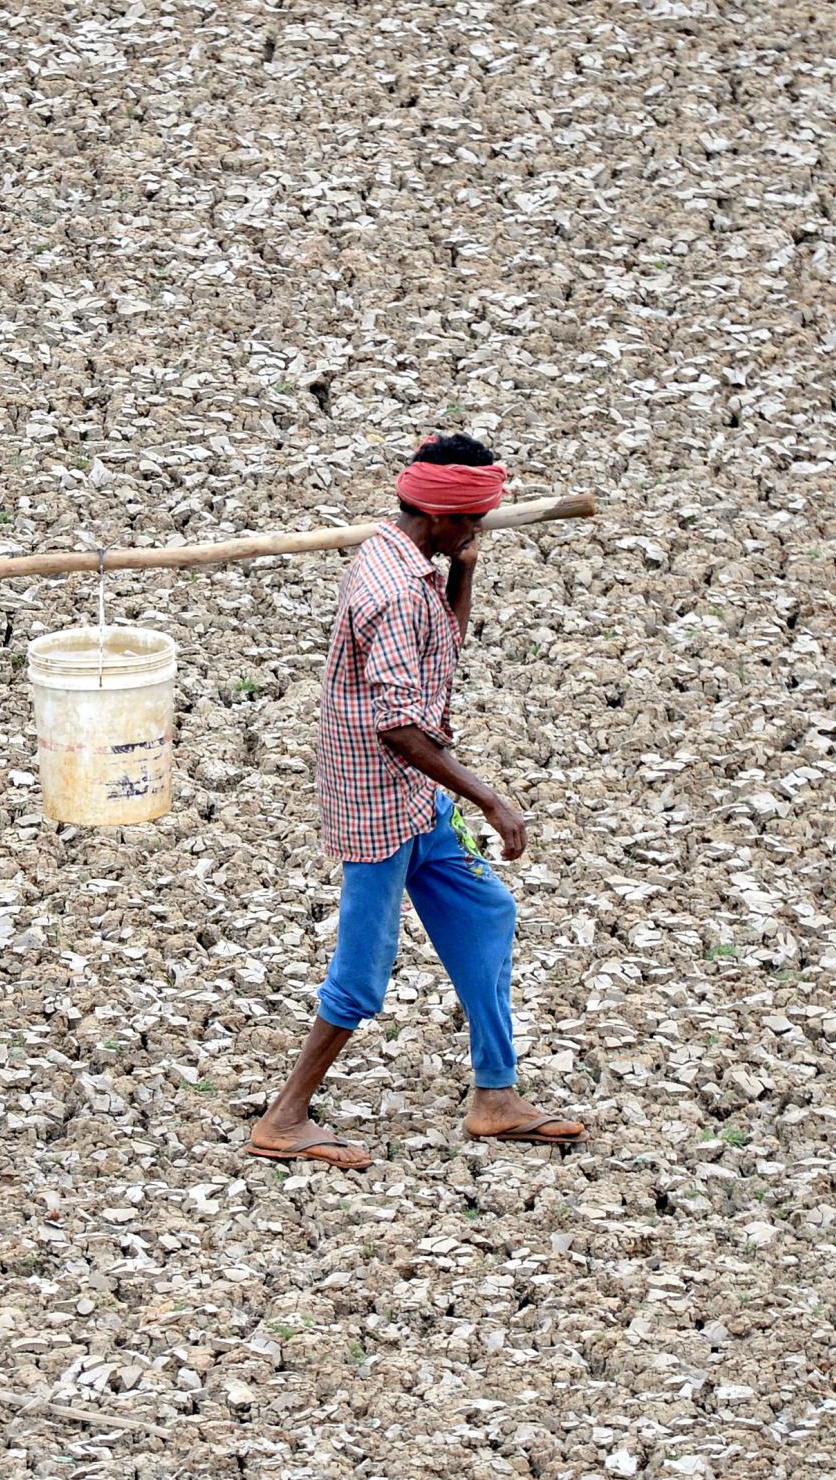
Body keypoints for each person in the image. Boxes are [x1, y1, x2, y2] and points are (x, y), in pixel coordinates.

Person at [247, 435, 583, 1168]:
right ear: (438, 516)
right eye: (473, 522)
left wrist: (463, 573)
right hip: (376, 806)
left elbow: (441, 649)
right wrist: (493, 802)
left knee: (487, 911)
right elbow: (398, 726)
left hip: (417, 796)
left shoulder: (398, 556)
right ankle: (283, 1117)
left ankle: (495, 1096)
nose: (479, 530)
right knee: (361, 975)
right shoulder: (394, 592)